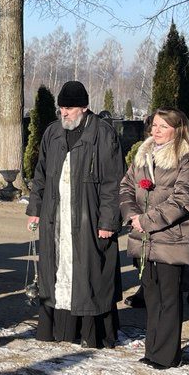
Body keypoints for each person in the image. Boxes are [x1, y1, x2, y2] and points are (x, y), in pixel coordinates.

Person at [26, 81, 123, 348]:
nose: (64, 113)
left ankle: (91, 333)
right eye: (61, 108)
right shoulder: (53, 132)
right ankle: (60, 330)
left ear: (84, 107)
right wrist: (35, 209)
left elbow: (113, 183)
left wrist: (108, 221)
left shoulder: (103, 134)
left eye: (69, 108)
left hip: (88, 216)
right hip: (55, 216)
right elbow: (40, 174)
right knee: (56, 269)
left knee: (90, 273)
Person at [120, 107, 189, 370]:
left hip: (170, 237)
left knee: (168, 297)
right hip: (144, 237)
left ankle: (167, 356)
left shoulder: (186, 159)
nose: (156, 131)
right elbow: (126, 186)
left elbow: (182, 200)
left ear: (177, 130)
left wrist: (147, 221)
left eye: (163, 127)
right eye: (154, 125)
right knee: (151, 295)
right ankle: (152, 350)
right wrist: (132, 215)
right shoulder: (143, 154)